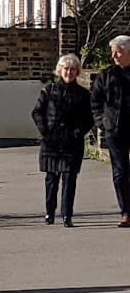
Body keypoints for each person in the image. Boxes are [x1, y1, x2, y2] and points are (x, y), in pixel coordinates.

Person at [33, 53, 92, 226]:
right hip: (51, 142)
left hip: (72, 143)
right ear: (60, 70)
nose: (69, 72)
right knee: (51, 178)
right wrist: (44, 130)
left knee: (69, 179)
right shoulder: (49, 90)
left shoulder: (83, 94)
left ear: (77, 72)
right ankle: (49, 213)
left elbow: (89, 118)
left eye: (73, 69)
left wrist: (78, 132)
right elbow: (37, 111)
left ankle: (67, 215)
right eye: (66, 69)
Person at [90, 35, 130, 229]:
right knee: (120, 173)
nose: (114, 55)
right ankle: (126, 212)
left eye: (118, 51)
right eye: (113, 51)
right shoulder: (106, 75)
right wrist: (102, 123)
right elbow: (96, 102)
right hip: (114, 130)